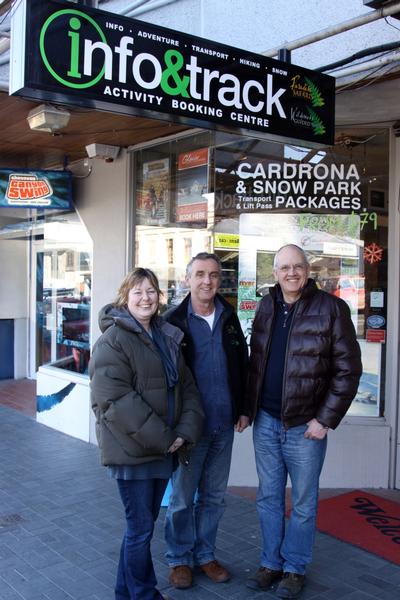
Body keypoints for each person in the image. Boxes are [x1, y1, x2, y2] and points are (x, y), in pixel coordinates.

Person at [246, 244, 362, 599]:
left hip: (305, 427)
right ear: (275, 272)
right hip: (265, 421)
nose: (291, 273)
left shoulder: (332, 308)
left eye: (297, 266)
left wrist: (324, 420)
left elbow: (348, 369)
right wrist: (247, 409)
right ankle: (271, 563)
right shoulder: (267, 306)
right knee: (267, 497)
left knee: (304, 503)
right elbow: (256, 363)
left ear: (307, 270)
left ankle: (294, 568)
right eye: (284, 267)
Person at [89, 268, 204, 600]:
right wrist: (167, 438)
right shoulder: (113, 340)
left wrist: (183, 431)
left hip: (163, 449)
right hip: (133, 452)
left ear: (159, 296)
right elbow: (115, 401)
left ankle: (125, 592)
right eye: (137, 291)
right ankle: (144, 594)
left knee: (141, 529)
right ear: (125, 297)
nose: (145, 297)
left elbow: (188, 388)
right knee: (140, 529)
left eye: (151, 291)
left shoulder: (164, 335)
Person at [164, 252, 249, 589]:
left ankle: (205, 555)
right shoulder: (173, 323)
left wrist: (243, 408)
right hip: (190, 431)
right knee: (183, 498)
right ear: (187, 279)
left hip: (224, 425)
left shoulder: (229, 317)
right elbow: (166, 380)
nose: (207, 281)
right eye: (199, 274)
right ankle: (179, 559)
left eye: (213, 275)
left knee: (214, 497)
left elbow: (241, 364)